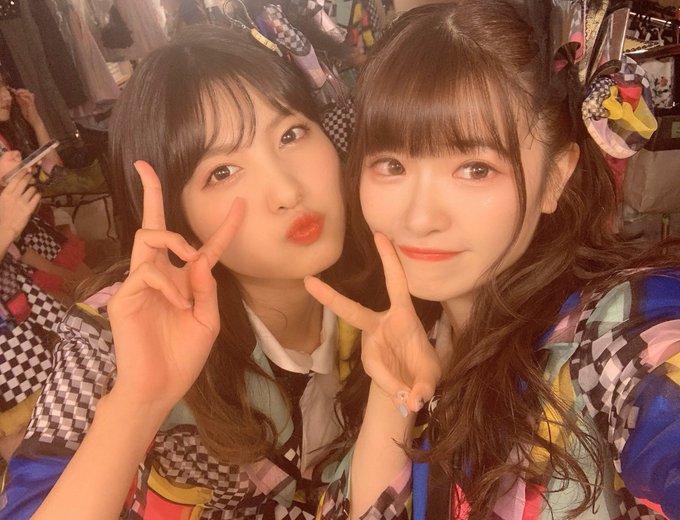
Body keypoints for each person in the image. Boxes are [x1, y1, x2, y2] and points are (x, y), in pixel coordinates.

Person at [305, 1, 680, 518]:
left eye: (476, 169)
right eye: (391, 164)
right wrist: (393, 395)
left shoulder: (610, 337)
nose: (419, 217)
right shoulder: (414, 335)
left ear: (555, 177)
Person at [0, 25, 360, 519]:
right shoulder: (119, 334)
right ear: (175, 213)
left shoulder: (393, 295)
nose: (287, 191)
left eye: (290, 134)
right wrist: (138, 402)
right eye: (222, 172)